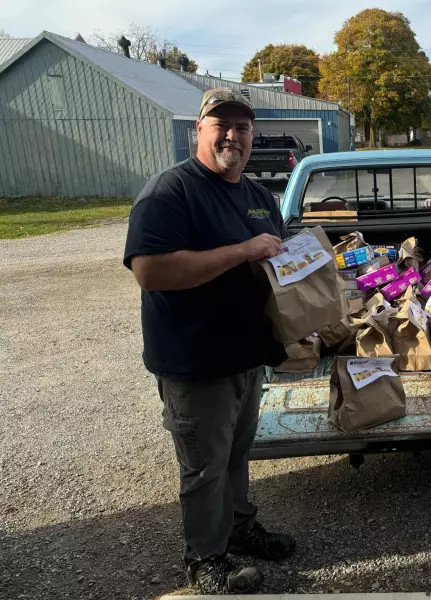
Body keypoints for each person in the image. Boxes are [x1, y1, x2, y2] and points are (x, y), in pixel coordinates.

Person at [123, 88, 295, 594]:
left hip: (247, 356)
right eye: (221, 125)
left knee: (236, 455)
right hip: (196, 362)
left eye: (242, 127)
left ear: (253, 136)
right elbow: (150, 271)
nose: (232, 136)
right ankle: (206, 558)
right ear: (198, 129)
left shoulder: (260, 197)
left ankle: (240, 530)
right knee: (203, 467)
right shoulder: (170, 191)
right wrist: (242, 250)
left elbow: (275, 266)